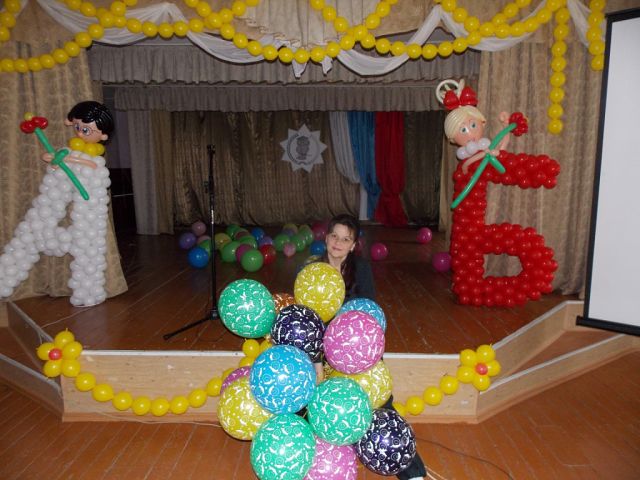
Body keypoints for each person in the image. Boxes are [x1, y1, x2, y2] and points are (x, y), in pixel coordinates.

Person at [319, 214, 428, 480]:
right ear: (326, 238)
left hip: (358, 349)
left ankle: (411, 471)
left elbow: (368, 312)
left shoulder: (361, 268)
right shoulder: (312, 271)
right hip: (323, 350)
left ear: (353, 245)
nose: (338, 243)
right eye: (334, 236)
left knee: (381, 402)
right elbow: (307, 319)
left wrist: (353, 344)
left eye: (346, 239)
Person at [436, 79, 511, 174]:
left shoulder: (486, 146)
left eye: (473, 125)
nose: (470, 133)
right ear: (452, 138)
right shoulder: (465, 154)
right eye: (463, 130)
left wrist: (506, 126)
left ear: (482, 122)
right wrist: (485, 154)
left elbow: (502, 149)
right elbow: (465, 166)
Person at [42, 100, 114, 168]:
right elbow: (58, 167)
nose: (79, 134)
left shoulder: (96, 154)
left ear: (103, 136)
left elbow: (92, 165)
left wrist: (64, 159)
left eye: (85, 130)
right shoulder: (74, 147)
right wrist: (53, 159)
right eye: (77, 126)